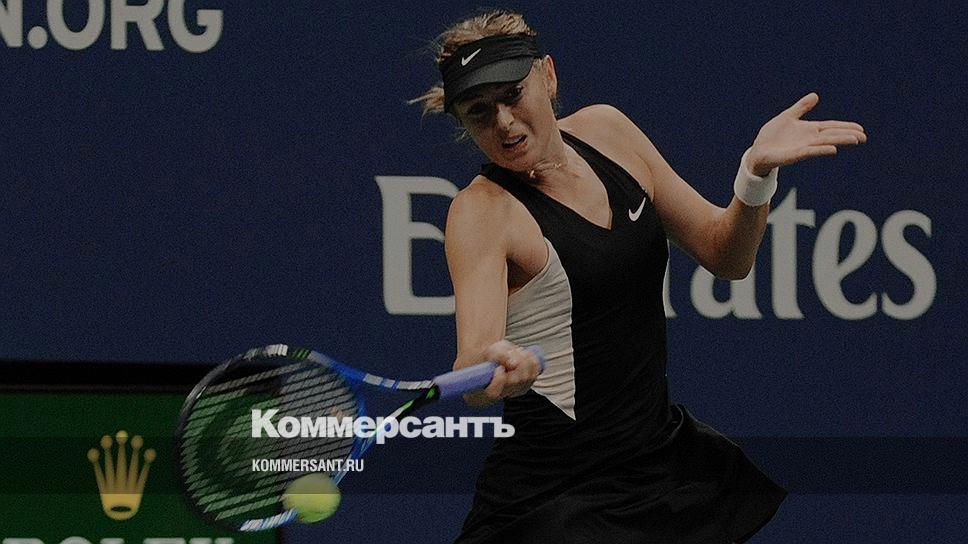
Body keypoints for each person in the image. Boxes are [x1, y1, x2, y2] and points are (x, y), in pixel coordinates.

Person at [412, 10, 866, 544]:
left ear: (548, 76)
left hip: (657, 466)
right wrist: (494, 370)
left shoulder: (609, 132)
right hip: (553, 498)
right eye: (479, 112)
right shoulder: (481, 212)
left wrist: (755, 173)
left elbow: (726, 255)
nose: (505, 122)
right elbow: (474, 358)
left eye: (513, 94)